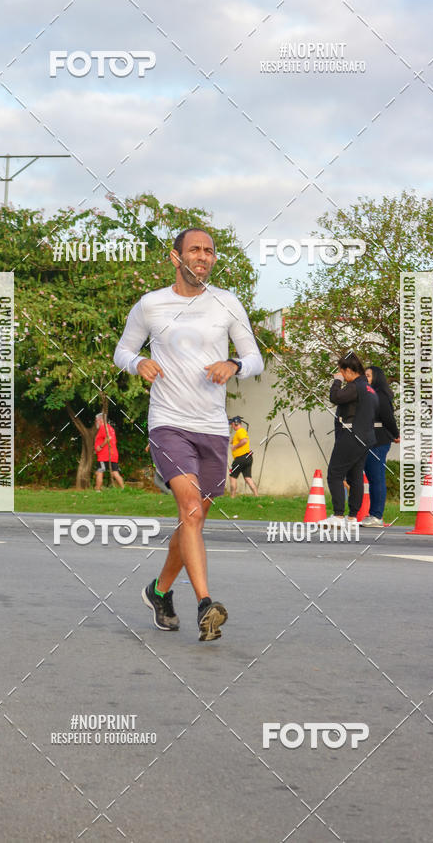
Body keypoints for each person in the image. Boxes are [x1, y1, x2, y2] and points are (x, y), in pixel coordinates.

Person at [114, 227, 263, 641]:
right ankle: (204, 604)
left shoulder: (226, 303)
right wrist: (137, 363)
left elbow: (255, 359)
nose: (203, 257)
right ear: (175, 257)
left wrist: (233, 365)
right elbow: (122, 350)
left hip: (213, 427)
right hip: (168, 423)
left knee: (191, 519)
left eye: (210, 251)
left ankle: (158, 591)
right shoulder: (151, 305)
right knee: (191, 510)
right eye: (195, 250)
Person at [324, 353, 378, 527]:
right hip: (366, 437)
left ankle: (338, 515)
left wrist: (337, 381)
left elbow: (335, 397)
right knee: (355, 476)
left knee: (335, 473)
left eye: (341, 372)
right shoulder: (369, 389)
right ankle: (353, 517)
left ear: (347, 370)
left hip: (352, 434)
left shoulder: (356, 386)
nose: (341, 375)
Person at [361, 366, 400, 527]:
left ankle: (377, 515)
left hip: (379, 440)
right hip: (368, 439)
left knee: (376, 477)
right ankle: (372, 514)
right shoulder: (367, 394)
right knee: (371, 477)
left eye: (368, 376)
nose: (365, 378)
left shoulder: (380, 396)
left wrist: (396, 434)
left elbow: (388, 418)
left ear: (376, 378)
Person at [228, 416, 258, 497]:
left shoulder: (240, 431)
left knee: (232, 476)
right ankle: (256, 495)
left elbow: (244, 441)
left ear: (235, 424)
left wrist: (235, 447)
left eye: (232, 424)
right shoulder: (240, 432)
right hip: (248, 458)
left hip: (240, 458)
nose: (231, 426)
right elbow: (234, 441)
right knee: (248, 478)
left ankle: (232, 497)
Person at [94, 414, 125, 490]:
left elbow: (108, 438)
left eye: (96, 421)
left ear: (100, 420)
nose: (96, 422)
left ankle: (97, 489)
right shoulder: (110, 428)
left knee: (99, 471)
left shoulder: (103, 427)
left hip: (104, 455)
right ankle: (123, 488)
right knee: (115, 472)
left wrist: (100, 447)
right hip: (112, 454)